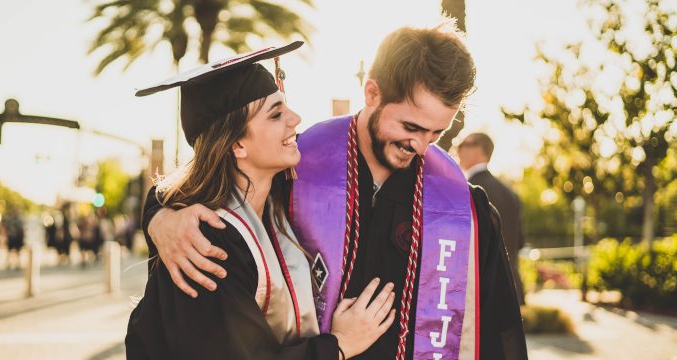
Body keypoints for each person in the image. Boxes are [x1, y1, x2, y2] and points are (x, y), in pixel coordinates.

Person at [144, 22, 528, 359]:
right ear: (372, 93)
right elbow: (205, 188)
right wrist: (160, 216)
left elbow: (500, 332)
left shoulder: (463, 208)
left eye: (437, 133)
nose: (423, 147)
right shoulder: (293, 171)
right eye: (411, 127)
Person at [125, 42, 395, 359]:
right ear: (237, 144)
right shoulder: (205, 245)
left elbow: (166, 194)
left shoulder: (276, 202)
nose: (295, 118)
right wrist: (338, 345)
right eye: (276, 114)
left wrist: (157, 214)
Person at [457, 133, 526, 305]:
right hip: (509, 289)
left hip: (477, 293)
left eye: (463, 144)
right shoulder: (510, 193)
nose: (458, 149)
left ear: (480, 150)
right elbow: (520, 241)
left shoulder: (466, 190)